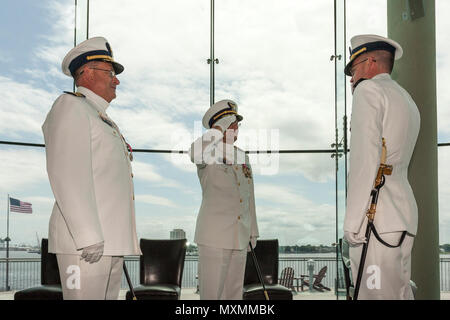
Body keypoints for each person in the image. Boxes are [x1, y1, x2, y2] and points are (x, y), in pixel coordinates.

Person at [42, 37, 141, 300]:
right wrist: (87, 235)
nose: (116, 80)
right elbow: (67, 174)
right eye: (110, 73)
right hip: (84, 244)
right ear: (86, 73)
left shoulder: (101, 119)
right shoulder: (70, 107)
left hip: (108, 242)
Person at [343, 34, 420, 300]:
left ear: (370, 62)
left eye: (353, 70)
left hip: (375, 220)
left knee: (372, 294)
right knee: (399, 293)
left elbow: (366, 161)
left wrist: (353, 221)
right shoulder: (405, 98)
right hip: (402, 216)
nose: (352, 79)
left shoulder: (368, 91)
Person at [189, 99, 259, 300]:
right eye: (233, 124)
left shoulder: (241, 156)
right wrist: (217, 129)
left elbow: (248, 197)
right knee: (212, 296)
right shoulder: (207, 152)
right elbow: (194, 153)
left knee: (234, 297)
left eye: (238, 125)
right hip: (214, 237)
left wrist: (252, 232)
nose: (237, 129)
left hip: (240, 236)